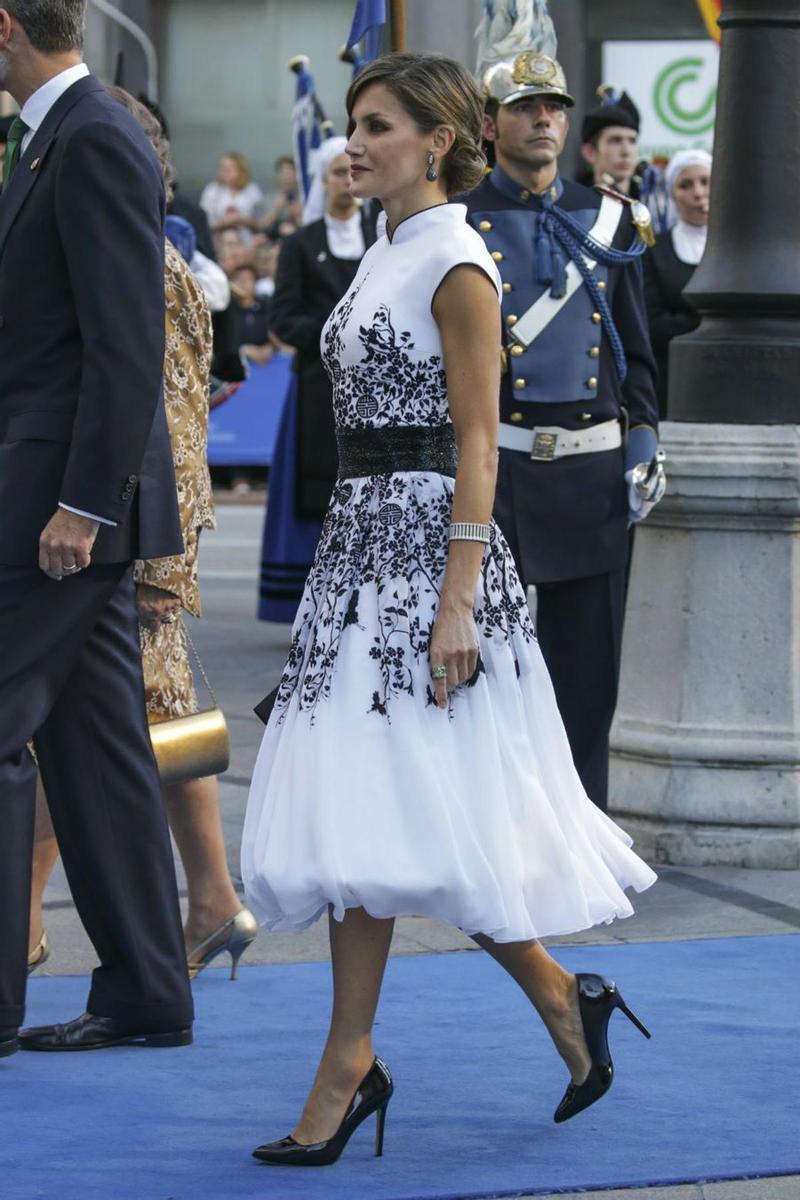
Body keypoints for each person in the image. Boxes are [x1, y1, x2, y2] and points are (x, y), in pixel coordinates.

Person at [242, 52, 656, 1168]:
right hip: (359, 551)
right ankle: (535, 1007)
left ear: (435, 139)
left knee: (407, 813)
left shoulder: (458, 257)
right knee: (374, 816)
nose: (354, 141)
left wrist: (454, 605)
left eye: (377, 125)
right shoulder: (384, 250)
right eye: (352, 124)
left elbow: (477, 440)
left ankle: (358, 1060)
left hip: (431, 564)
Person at [26, 86, 258, 984]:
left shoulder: (150, 268)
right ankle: (209, 900)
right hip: (139, 529)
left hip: (127, 532)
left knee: (75, 730)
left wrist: (160, 556)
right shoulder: (161, 258)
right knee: (145, 723)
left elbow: (165, 419)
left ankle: (28, 927)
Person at [0, 0, 193, 1054]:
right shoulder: (56, 138)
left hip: (59, 511)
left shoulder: (96, 135)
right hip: (55, 501)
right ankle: (148, 993)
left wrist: (83, 505)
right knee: (100, 751)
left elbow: (126, 343)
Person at [466, 37, 662, 813]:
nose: (542, 120)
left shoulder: (611, 219)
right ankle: (494, 821)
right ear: (490, 124)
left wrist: (644, 444)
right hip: (499, 470)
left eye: (552, 107)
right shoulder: (457, 220)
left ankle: (582, 828)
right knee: (489, 667)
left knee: (587, 676)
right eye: (524, 107)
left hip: (590, 472)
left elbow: (636, 356)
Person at [258, 136, 377, 624]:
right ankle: (313, 601)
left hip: (375, 387)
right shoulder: (301, 243)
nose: (344, 183)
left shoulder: (384, 236)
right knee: (318, 492)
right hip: (317, 387)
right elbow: (283, 317)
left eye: (350, 172)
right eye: (334, 173)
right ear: (321, 181)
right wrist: (340, 336)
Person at [643, 149, 712, 417]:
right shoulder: (655, 251)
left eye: (706, 182)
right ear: (673, 195)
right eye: (686, 185)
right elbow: (652, 324)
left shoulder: (742, 249)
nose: (698, 193)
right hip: (672, 380)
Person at [580, 87, 641, 196]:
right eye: (615, 141)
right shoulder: (571, 207)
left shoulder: (650, 206)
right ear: (590, 152)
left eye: (632, 141)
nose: (626, 152)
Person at [200, 151, 266, 243]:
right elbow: (203, 224)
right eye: (222, 168)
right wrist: (225, 222)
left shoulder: (252, 190)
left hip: (248, 241)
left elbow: (261, 223)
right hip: (218, 241)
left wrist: (241, 219)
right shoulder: (212, 191)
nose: (224, 172)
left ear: (241, 170)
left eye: (229, 169)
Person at [258, 154, 302, 237]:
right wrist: (276, 211)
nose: (286, 177)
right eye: (283, 173)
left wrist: (298, 215)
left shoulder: (304, 198)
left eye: (290, 173)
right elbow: (260, 226)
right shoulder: (268, 199)